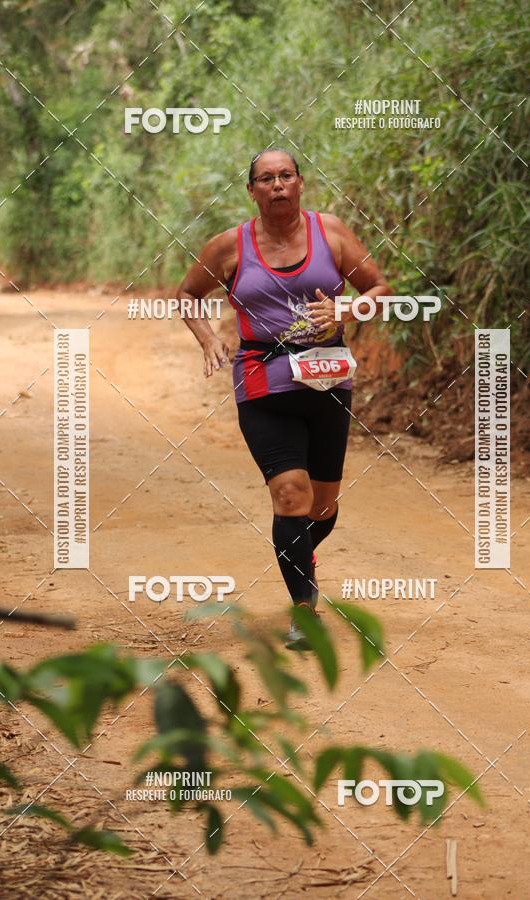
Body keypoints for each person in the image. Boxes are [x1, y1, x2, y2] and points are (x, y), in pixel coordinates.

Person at [176, 148, 390, 649]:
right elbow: (187, 294)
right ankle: (304, 610)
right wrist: (208, 338)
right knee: (290, 495)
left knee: (322, 506)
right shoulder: (228, 246)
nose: (277, 185)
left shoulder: (330, 232)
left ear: (300, 183)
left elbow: (379, 289)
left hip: (327, 379)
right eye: (266, 178)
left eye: (286, 176)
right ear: (251, 190)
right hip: (262, 380)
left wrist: (346, 311)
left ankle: (297, 554)